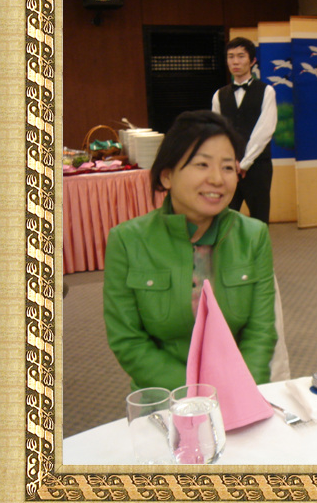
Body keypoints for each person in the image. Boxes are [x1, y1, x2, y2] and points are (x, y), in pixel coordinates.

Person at [104, 111, 277, 391]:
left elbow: (261, 333)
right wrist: (196, 395)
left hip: (238, 392)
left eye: (228, 167)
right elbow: (128, 341)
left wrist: (242, 392)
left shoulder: (253, 236)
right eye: (202, 164)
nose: (217, 179)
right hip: (165, 396)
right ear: (167, 176)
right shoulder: (127, 241)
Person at [212, 36, 277, 224]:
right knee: (223, 219)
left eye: (241, 56)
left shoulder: (266, 91)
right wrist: (230, 160)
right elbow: (217, 132)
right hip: (227, 167)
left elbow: (265, 130)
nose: (235, 61)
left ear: (252, 61)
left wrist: (245, 162)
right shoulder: (219, 95)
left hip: (257, 166)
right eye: (230, 56)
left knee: (259, 219)